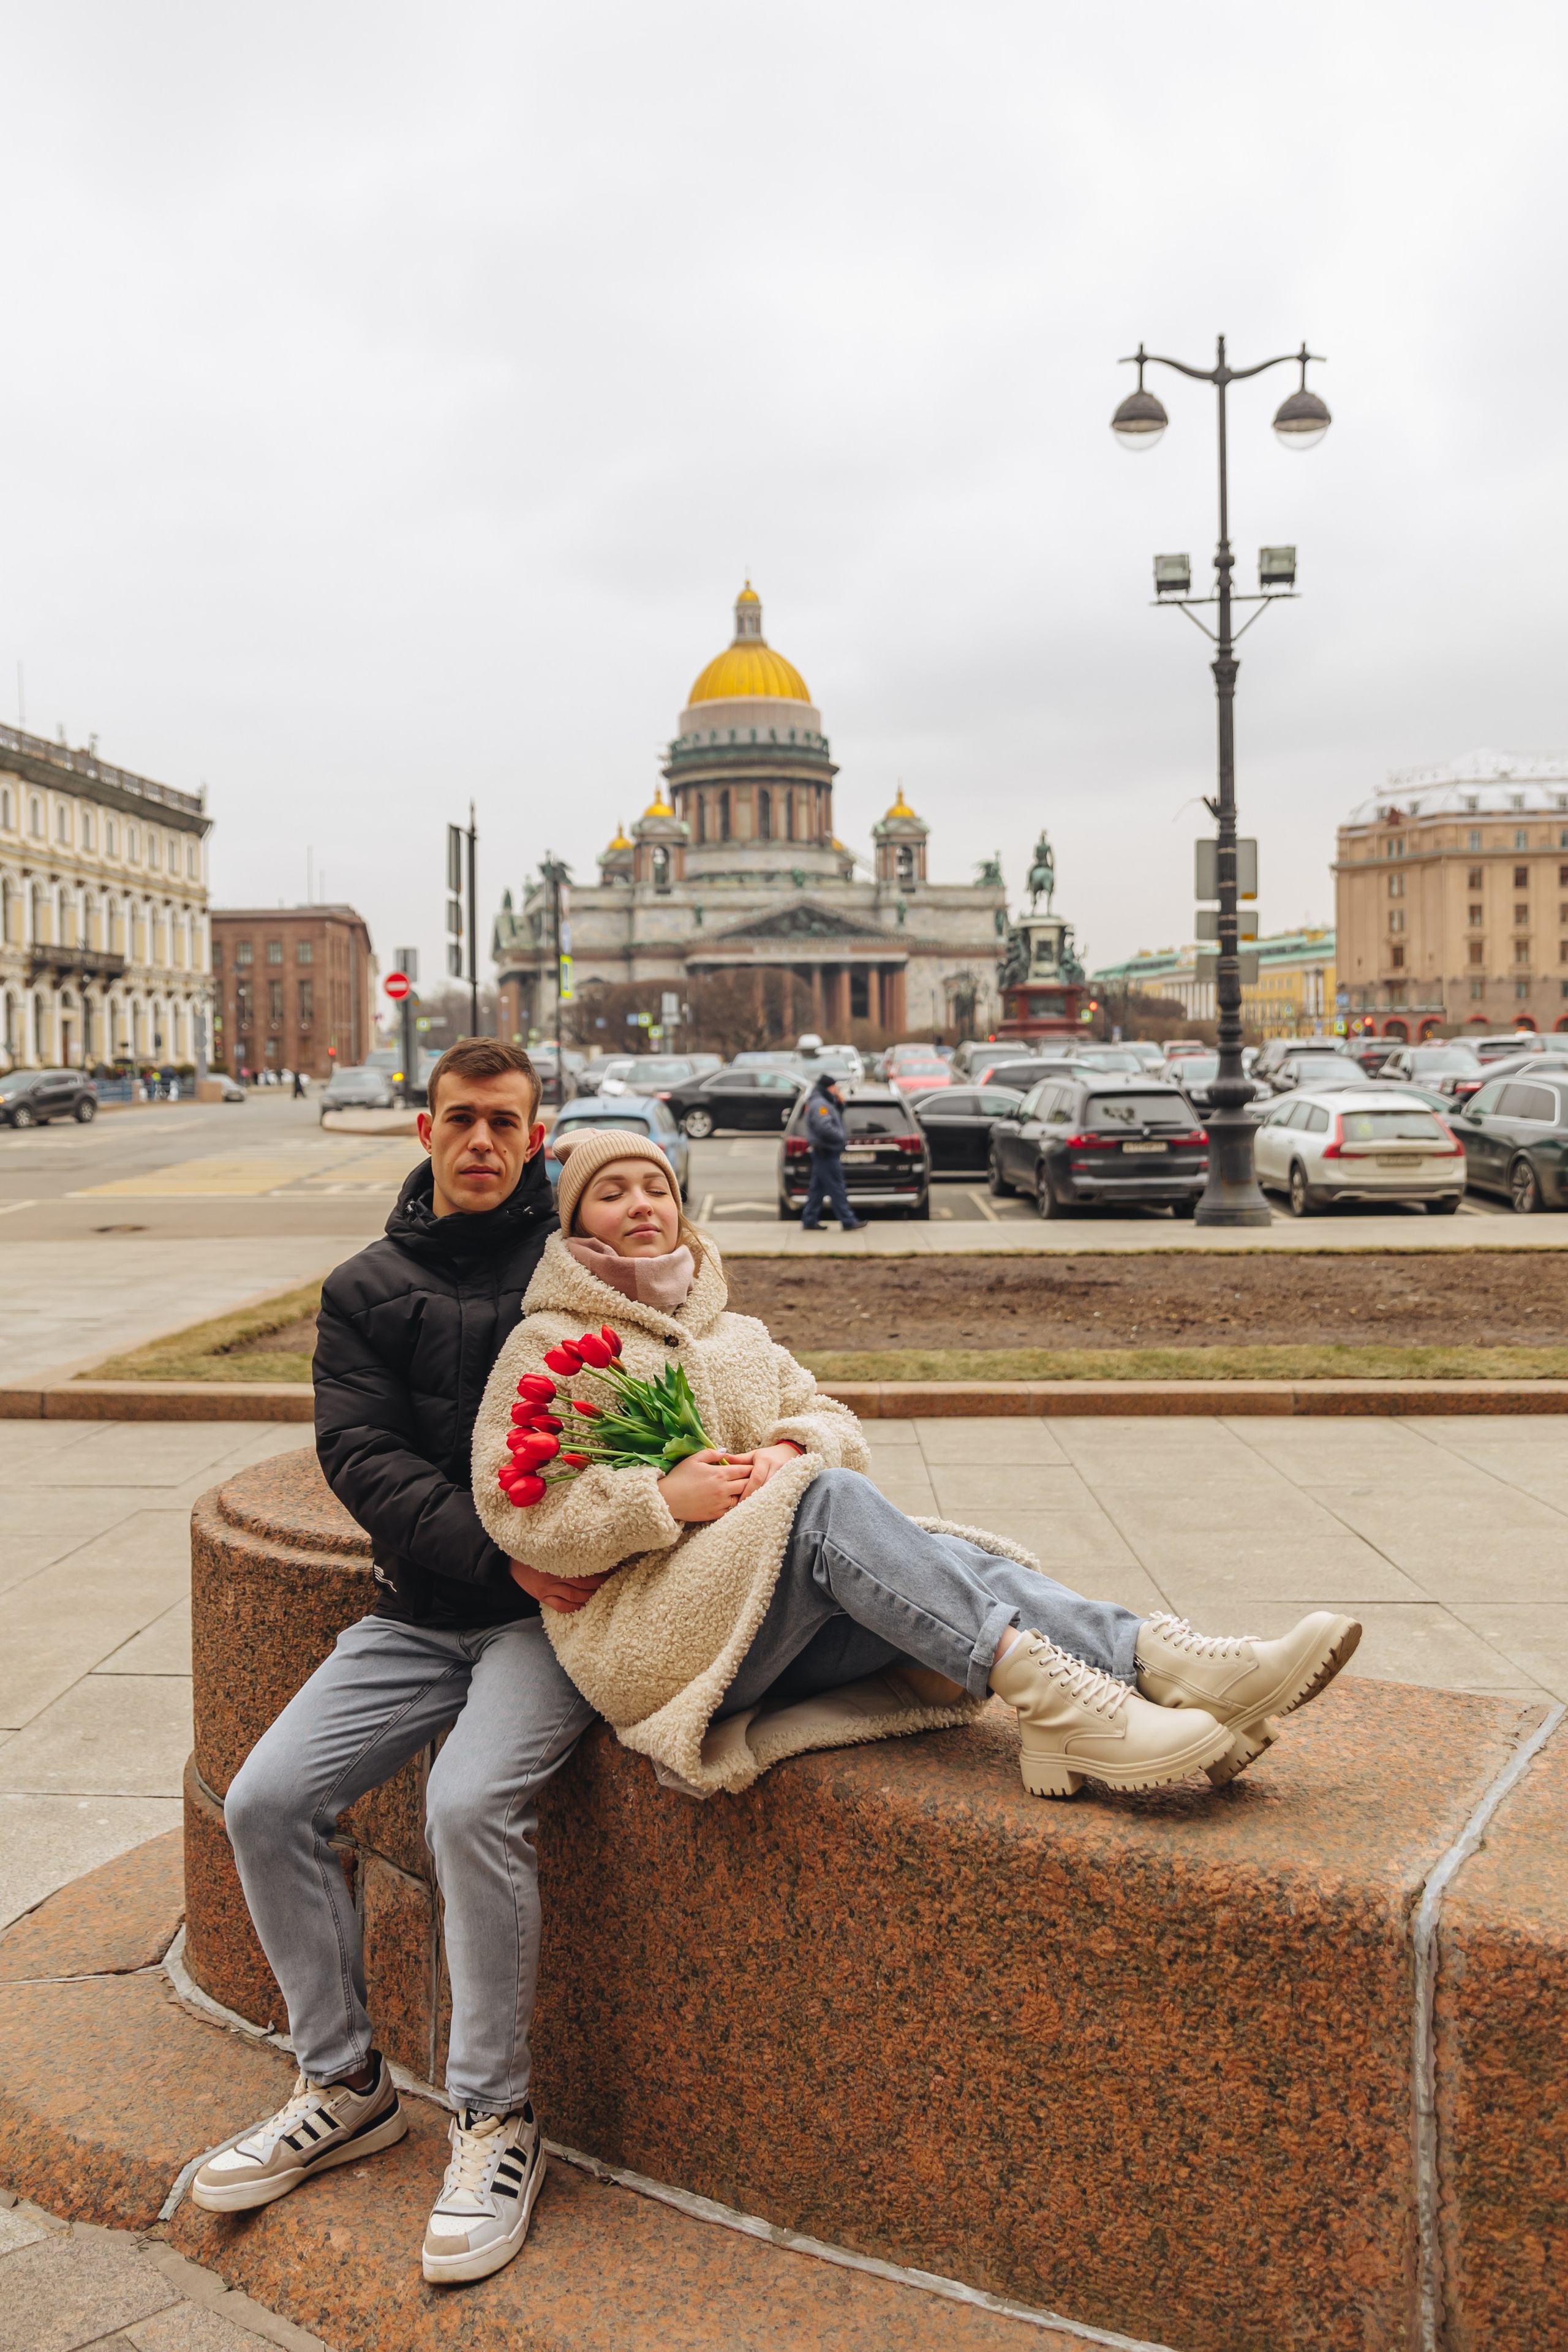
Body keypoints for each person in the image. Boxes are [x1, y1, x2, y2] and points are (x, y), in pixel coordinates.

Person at [471, 1130, 1362, 1811]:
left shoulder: (736, 1335)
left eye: (655, 1187)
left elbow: (834, 1424)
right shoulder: (551, 1344)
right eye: (611, 1193)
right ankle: (1072, 1702)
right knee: (828, 1507)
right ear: (574, 1222)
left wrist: (791, 1449)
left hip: (768, 1623)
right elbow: (516, 1512)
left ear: (681, 1207)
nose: (640, 1205)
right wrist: (660, 1499)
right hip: (654, 1642)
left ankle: (1159, 1666)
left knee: (954, 1556)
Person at [191, 1039, 599, 2290]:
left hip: (550, 1625)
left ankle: (492, 2116)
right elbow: (363, 1462)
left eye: (506, 1124)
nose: (482, 1143)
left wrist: (554, 1565)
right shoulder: (364, 1286)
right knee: (264, 1799)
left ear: (537, 1141)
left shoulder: (577, 1274)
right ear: (424, 1131)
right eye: (461, 1120)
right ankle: (345, 2081)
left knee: (468, 1802)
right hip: (420, 1612)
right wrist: (504, 1557)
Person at [798, 1069, 865, 1232]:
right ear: (829, 1087)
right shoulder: (820, 1103)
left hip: (825, 1151)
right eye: (835, 1087)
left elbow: (832, 1117)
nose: (837, 1090)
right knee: (836, 1186)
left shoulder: (825, 1101)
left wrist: (840, 1104)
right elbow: (824, 1127)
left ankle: (809, 1219)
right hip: (825, 1152)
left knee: (818, 1188)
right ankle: (848, 1220)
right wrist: (840, 1137)